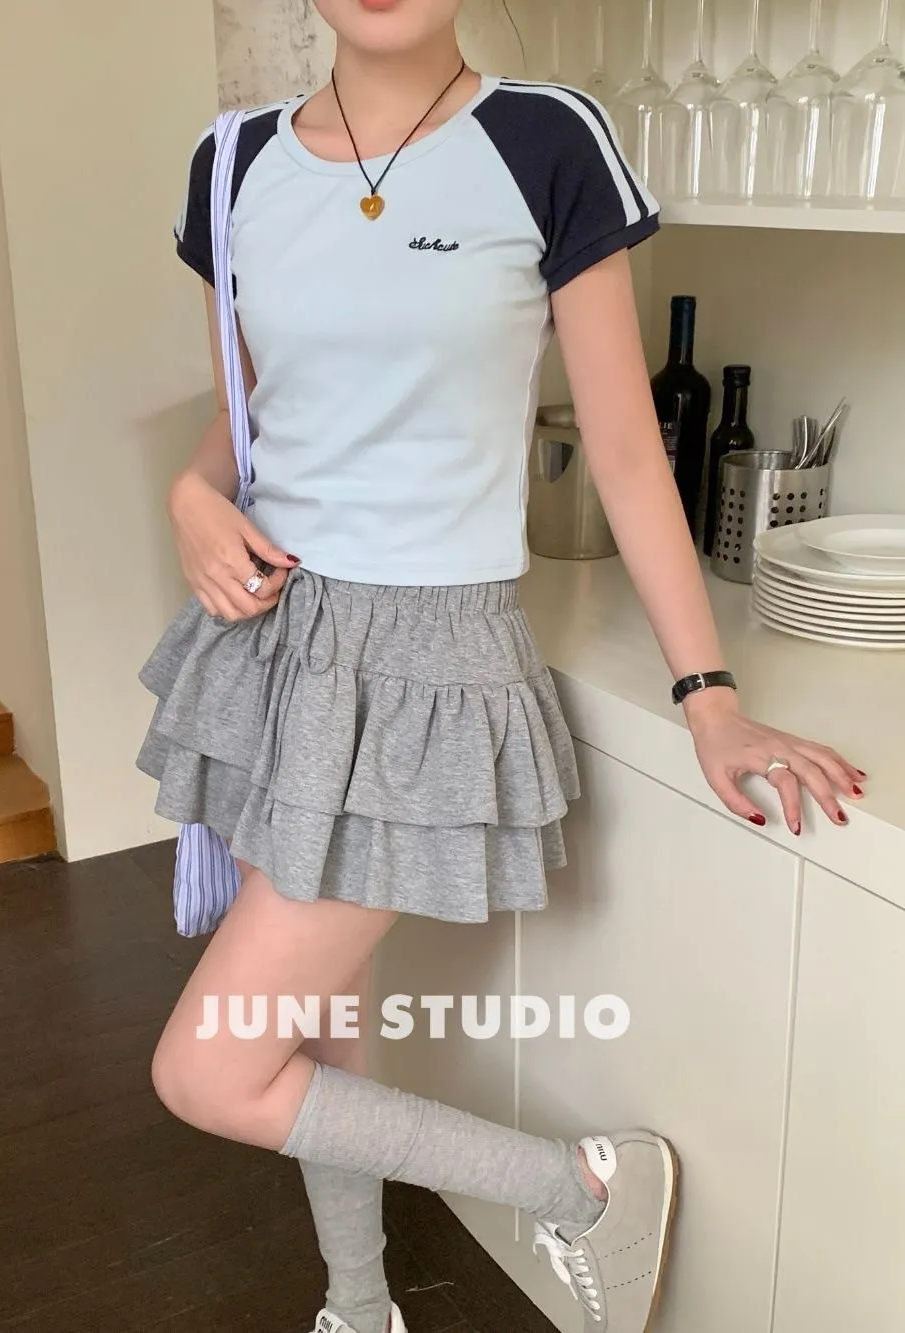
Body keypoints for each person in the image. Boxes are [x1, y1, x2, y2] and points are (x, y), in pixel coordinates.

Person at [137, 3, 865, 1330]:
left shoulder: (545, 140)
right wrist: (192, 494)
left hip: (429, 658)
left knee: (210, 1071)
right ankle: (362, 1303)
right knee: (320, 1019)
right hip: (269, 640)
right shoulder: (230, 160)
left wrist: (712, 701)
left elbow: (628, 451)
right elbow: (248, 420)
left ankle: (580, 1190)